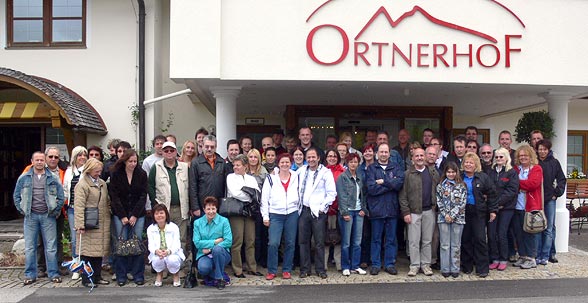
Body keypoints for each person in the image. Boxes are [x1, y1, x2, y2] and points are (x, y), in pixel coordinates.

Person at [14, 151, 65, 285]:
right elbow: (16, 196)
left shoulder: (53, 177)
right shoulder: (24, 178)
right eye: (37, 160)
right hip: (30, 216)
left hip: (48, 216)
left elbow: (61, 196)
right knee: (30, 247)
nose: (39, 162)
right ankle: (30, 274)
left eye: (42, 160)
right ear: (32, 161)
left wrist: (55, 210)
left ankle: (53, 273)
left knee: (51, 247)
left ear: (45, 162)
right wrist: (22, 210)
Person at [109, 149, 148, 286]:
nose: (133, 164)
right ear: (124, 161)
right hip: (120, 214)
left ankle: (138, 274)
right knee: (121, 243)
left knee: (136, 243)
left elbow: (143, 195)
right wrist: (123, 216)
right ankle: (121, 275)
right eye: (130, 161)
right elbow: (114, 197)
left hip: (138, 214)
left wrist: (135, 215)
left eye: (135, 161)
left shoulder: (142, 174)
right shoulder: (116, 174)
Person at [399, 148, 440, 277]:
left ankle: (426, 265)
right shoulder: (407, 174)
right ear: (413, 158)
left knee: (427, 240)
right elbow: (402, 195)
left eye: (422, 155)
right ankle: (414, 266)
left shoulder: (432, 172)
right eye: (417, 156)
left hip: (429, 210)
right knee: (413, 240)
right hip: (414, 212)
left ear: (425, 157)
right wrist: (405, 212)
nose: (420, 158)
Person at [297, 147, 337, 279]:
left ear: (318, 158)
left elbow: (332, 193)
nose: (311, 159)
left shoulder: (325, 172)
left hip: (318, 212)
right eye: (308, 157)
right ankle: (305, 269)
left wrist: (322, 208)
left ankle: (320, 269)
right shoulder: (301, 171)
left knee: (319, 242)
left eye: (313, 157)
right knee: (303, 241)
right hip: (304, 210)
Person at [366, 143, 405, 275]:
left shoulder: (396, 167)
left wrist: (383, 181)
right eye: (381, 152)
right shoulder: (371, 169)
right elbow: (371, 188)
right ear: (377, 154)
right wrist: (390, 183)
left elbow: (398, 184)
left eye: (386, 152)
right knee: (376, 239)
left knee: (391, 239)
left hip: (392, 209)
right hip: (376, 209)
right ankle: (376, 264)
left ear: (389, 153)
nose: (383, 154)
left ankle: (389, 264)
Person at [261, 153, 300, 280]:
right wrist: (265, 216)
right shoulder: (271, 178)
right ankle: (272, 270)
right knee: (273, 243)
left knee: (290, 243)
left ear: (291, 163)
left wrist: (297, 210)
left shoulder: (296, 176)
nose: (285, 164)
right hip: (275, 214)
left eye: (287, 162)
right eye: (282, 162)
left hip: (292, 214)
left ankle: (287, 269)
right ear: (278, 164)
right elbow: (264, 198)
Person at [74, 158, 111, 287]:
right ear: (89, 170)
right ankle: (87, 278)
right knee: (87, 253)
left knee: (98, 251)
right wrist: (80, 224)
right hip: (89, 222)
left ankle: (97, 276)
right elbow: (78, 206)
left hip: (102, 221)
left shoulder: (102, 183)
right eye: (96, 171)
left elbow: (106, 201)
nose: (98, 173)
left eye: (100, 171)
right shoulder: (82, 185)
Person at [460, 152, 498, 278]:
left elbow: (492, 194)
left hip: (478, 211)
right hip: (463, 211)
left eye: (471, 162)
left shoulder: (483, 177)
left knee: (480, 239)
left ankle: (482, 268)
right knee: (465, 239)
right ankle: (467, 266)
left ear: (476, 164)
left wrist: (493, 210)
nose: (468, 164)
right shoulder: (459, 177)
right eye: (466, 162)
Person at [148, 141, 190, 253]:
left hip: (182, 208)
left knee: (181, 237)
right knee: (164, 236)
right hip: (164, 209)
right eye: (166, 151)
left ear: (176, 152)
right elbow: (150, 186)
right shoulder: (156, 167)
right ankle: (163, 261)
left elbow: (191, 187)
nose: (169, 153)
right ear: (162, 152)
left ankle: (179, 262)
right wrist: (156, 204)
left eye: (172, 150)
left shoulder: (185, 167)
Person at [226, 154, 262, 278]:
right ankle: (238, 269)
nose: (235, 167)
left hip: (250, 211)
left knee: (250, 240)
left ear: (245, 167)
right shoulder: (230, 177)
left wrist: (248, 193)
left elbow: (257, 192)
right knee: (237, 241)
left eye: (238, 165)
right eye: (234, 165)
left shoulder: (251, 178)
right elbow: (235, 193)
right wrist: (249, 195)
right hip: (236, 211)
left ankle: (252, 267)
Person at [486, 147, 519, 271]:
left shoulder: (511, 172)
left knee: (502, 233)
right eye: (497, 157)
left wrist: (498, 203)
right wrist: (493, 205)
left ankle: (503, 258)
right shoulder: (491, 171)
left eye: (501, 157)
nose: (499, 159)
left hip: (506, 208)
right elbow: (488, 188)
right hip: (493, 209)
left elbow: (511, 191)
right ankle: (495, 258)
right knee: (491, 233)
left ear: (506, 158)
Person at [512, 145, 543, 269]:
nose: (523, 157)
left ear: (531, 156)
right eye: (521, 155)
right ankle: (523, 256)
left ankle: (531, 258)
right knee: (518, 233)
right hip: (517, 206)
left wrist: (518, 184)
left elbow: (533, 184)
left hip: (530, 206)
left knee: (530, 232)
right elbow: (511, 183)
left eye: (525, 155)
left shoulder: (536, 169)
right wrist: (521, 185)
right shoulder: (515, 169)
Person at [336, 153, 367, 276]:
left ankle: (355, 265)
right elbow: (341, 196)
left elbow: (364, 195)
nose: (353, 164)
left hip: (358, 211)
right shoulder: (342, 177)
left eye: (355, 161)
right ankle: (345, 266)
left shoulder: (360, 177)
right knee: (346, 242)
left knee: (357, 241)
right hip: (347, 211)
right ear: (347, 163)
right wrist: (344, 212)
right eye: (351, 162)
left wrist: (364, 209)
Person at [536, 139, 566, 265]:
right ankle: (537, 254)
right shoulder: (535, 162)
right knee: (537, 227)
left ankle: (546, 255)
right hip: (537, 198)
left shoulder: (554, 162)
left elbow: (561, 179)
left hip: (549, 199)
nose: (542, 151)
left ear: (548, 150)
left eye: (544, 149)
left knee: (548, 228)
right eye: (540, 149)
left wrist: (556, 193)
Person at [193, 197, 233, 290]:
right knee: (203, 268)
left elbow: (228, 241)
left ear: (217, 209)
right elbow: (197, 243)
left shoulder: (224, 221)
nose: (211, 211)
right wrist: (214, 242)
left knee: (217, 249)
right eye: (208, 209)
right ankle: (218, 273)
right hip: (204, 254)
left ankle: (219, 279)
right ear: (204, 209)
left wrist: (211, 249)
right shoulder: (197, 223)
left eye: (213, 209)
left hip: (221, 253)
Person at [436, 162, 467, 278]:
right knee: (444, 244)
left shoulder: (461, 185)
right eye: (448, 172)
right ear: (445, 173)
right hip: (443, 218)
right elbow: (439, 201)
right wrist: (445, 215)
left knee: (456, 245)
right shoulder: (440, 186)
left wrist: (453, 215)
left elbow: (462, 203)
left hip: (458, 219)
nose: (451, 174)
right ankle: (445, 268)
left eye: (453, 172)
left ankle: (455, 268)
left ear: (456, 172)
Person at [189, 135, 230, 218]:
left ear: (215, 147)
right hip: (202, 208)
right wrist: (195, 207)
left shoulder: (222, 162)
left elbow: (226, 186)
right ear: (202, 146)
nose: (209, 149)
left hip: (219, 207)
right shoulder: (196, 162)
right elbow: (192, 186)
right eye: (207, 146)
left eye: (212, 147)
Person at [63, 145, 87, 281]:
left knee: (86, 239)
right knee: (74, 238)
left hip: (86, 210)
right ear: (74, 157)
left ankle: (86, 266)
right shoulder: (68, 172)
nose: (82, 157)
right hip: (72, 208)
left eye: (84, 155)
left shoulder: (88, 171)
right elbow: (65, 190)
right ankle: (76, 267)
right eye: (79, 155)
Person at [148, 204, 185, 287]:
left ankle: (175, 275)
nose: (159, 216)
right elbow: (151, 245)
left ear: (166, 214)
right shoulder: (150, 228)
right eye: (156, 214)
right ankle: (159, 274)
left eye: (161, 213)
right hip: (159, 252)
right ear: (153, 216)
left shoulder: (174, 227)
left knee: (172, 259)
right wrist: (156, 251)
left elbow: (177, 244)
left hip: (172, 252)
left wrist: (169, 251)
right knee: (157, 259)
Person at [247, 149, 269, 269]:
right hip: (247, 208)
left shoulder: (263, 171)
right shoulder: (244, 171)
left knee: (261, 235)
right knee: (251, 236)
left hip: (260, 207)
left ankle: (262, 260)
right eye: (251, 157)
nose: (253, 159)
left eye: (255, 157)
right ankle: (251, 260)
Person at [324, 149, 345, 271]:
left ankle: (339, 264)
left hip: (338, 209)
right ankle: (324, 264)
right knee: (325, 237)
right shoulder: (322, 171)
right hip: (326, 209)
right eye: (329, 156)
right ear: (326, 158)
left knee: (338, 237)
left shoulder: (342, 172)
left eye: (334, 156)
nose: (332, 158)